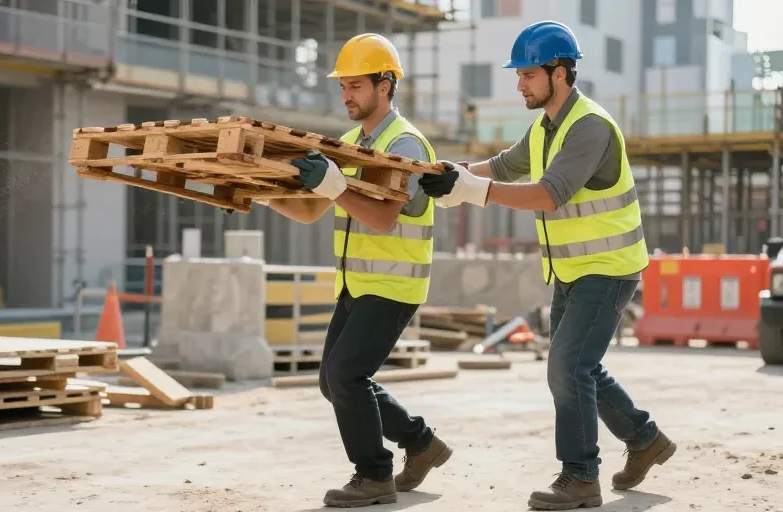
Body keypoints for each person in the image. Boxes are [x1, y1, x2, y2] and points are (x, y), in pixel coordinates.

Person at [418, 20, 676, 510]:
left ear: (560, 73)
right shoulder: (546, 127)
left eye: (528, 75)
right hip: (571, 271)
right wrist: (451, 175)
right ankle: (645, 440)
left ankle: (580, 477)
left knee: (566, 366)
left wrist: (474, 193)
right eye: (519, 75)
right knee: (580, 367)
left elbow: (549, 194)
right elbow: (505, 165)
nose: (519, 84)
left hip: (608, 267)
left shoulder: (590, 126)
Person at [259, 33, 452, 508]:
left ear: (385, 86)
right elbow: (309, 210)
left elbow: (385, 216)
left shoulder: (405, 143)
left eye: (356, 86)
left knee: (345, 375)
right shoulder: (348, 143)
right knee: (333, 381)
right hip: (357, 282)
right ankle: (422, 444)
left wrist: (336, 184)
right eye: (342, 86)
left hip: (394, 283)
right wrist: (256, 194)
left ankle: (373, 476)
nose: (346, 95)